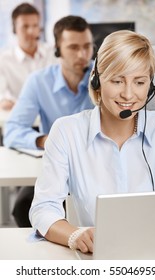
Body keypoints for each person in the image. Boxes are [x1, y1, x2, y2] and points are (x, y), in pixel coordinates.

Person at [29, 29, 155, 254]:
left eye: (139, 82)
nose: (128, 94)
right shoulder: (67, 131)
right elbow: (43, 209)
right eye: (117, 81)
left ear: (150, 85)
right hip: (94, 259)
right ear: (97, 79)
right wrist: (75, 235)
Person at [4, 15, 95, 227]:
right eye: (73, 47)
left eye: (87, 46)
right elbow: (12, 130)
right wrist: (45, 140)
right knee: (23, 207)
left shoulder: (104, 78)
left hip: (94, 167)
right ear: (57, 50)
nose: (82, 54)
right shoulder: (39, 81)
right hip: (56, 168)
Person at [0, 2, 57, 111]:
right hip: (20, 120)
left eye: (35, 26)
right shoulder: (3, 60)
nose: (31, 31)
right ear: (14, 29)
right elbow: (4, 101)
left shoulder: (53, 54)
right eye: (25, 26)